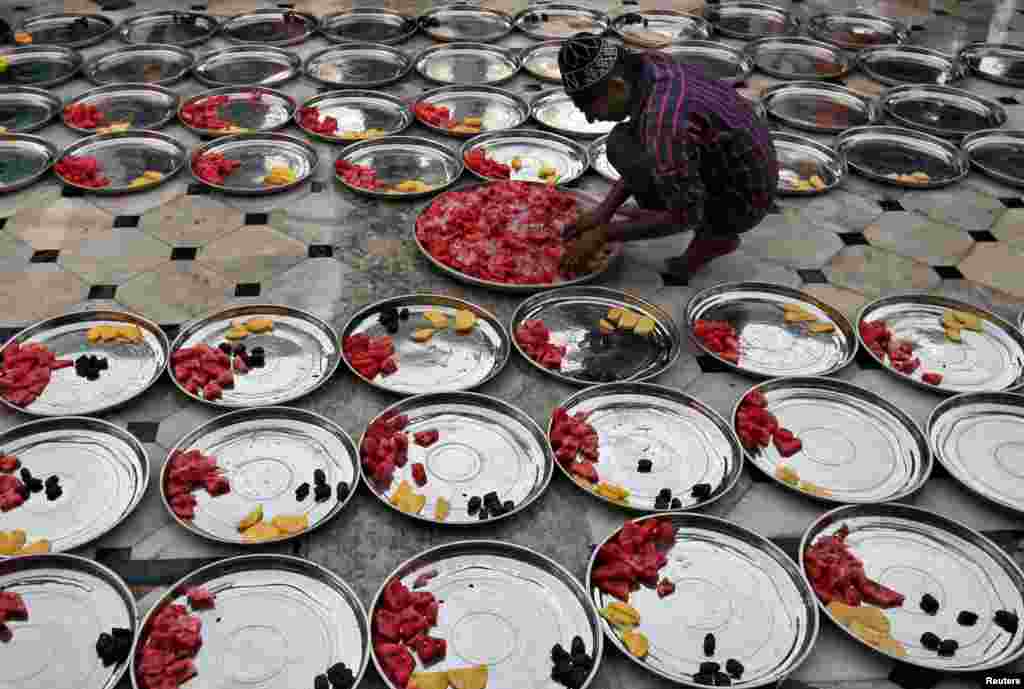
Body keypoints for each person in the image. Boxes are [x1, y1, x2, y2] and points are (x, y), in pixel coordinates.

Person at [557, 33, 778, 280]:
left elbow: (686, 215)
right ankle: (665, 213)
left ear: (617, 87)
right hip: (730, 158)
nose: (590, 119)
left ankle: (716, 236)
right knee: (624, 141)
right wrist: (603, 212)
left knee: (630, 152)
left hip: (746, 196)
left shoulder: (665, 123)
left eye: (590, 108)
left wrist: (605, 234)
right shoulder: (647, 64)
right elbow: (649, 149)